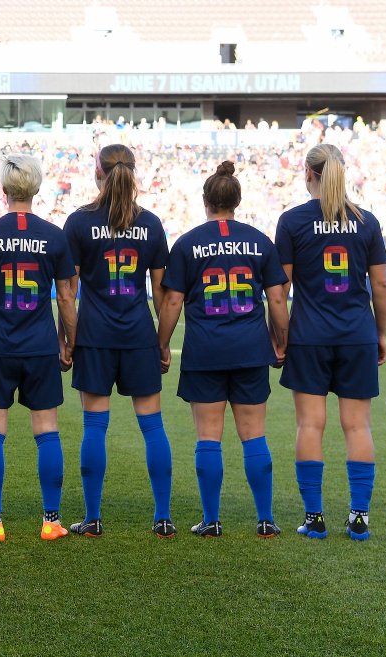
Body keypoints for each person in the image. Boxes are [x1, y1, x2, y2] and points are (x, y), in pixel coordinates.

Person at [157, 161, 290, 538]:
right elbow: (277, 299)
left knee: (208, 436)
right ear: (237, 200)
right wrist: (282, 339)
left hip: (206, 350)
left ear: (205, 201)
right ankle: (265, 519)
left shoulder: (187, 243)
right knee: (255, 435)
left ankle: (211, 520)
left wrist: (162, 344)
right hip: (250, 348)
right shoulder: (259, 241)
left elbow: (171, 303)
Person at [0, 153, 78, 542]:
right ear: (37, 187)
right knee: (47, 431)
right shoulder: (54, 234)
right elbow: (65, 298)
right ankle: (52, 520)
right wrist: (69, 341)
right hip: (40, 344)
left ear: (4, 189)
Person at [276, 144, 386, 541]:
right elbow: (379, 285)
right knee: (357, 426)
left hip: (309, 335)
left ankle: (315, 517)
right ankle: (359, 517)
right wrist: (380, 333)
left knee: (310, 424)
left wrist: (280, 335)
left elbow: (281, 289)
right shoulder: (367, 221)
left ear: (307, 172)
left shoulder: (292, 222)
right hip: (356, 334)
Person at [63, 144, 174, 538]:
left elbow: (69, 290)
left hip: (94, 335)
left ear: (99, 172)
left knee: (95, 427)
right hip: (139, 334)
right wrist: (162, 342)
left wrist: (69, 338)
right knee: (153, 427)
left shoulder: (79, 222)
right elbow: (162, 293)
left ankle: (92, 519)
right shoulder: (152, 223)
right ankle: (163, 518)